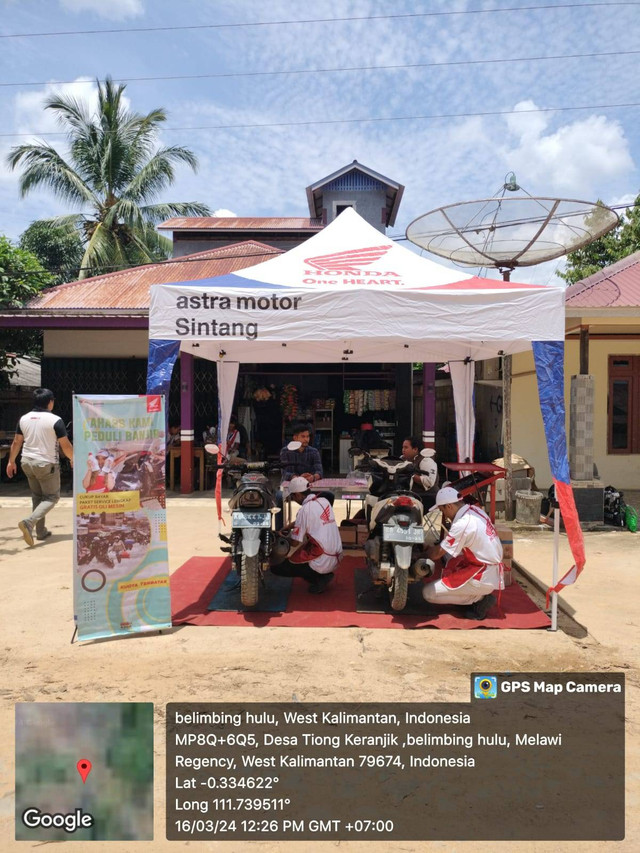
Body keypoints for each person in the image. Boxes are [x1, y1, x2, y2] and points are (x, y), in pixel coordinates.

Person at [422, 486, 504, 620]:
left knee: (428, 593)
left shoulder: (463, 524)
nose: (444, 514)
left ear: (449, 506)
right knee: (450, 559)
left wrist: (422, 553)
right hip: (487, 565)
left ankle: (479, 599)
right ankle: (475, 595)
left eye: (442, 510)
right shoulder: (475, 510)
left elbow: (437, 554)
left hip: (482, 574)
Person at [6, 387, 74, 546]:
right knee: (52, 497)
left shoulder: (23, 418)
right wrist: (73, 459)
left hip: (27, 462)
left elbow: (17, 441)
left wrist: (11, 461)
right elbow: (65, 444)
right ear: (50, 402)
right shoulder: (55, 420)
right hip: (45, 464)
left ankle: (41, 532)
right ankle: (29, 523)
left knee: (37, 496)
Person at [270, 477, 342, 594]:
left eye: (293, 497)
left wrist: (281, 537)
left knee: (277, 568)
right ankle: (323, 573)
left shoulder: (305, 510)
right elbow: (304, 520)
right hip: (337, 556)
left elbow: (294, 542)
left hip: (323, 559)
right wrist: (288, 527)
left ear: (298, 494)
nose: (293, 500)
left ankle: (319, 578)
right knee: (306, 546)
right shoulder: (324, 501)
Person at [275, 422, 323, 529]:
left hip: (308, 487)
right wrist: (297, 478)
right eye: (303, 436)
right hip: (291, 488)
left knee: (328, 495)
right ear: (295, 437)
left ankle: (321, 527)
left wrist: (313, 477)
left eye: (308, 436)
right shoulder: (285, 451)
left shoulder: (314, 452)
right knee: (278, 497)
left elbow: (319, 471)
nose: (306, 439)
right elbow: (285, 472)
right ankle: (280, 531)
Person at [401, 436, 439, 508]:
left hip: (427, 497)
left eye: (406, 447)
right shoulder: (402, 459)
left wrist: (411, 475)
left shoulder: (426, 460)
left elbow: (429, 482)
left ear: (415, 449)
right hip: (410, 495)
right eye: (403, 447)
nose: (403, 450)